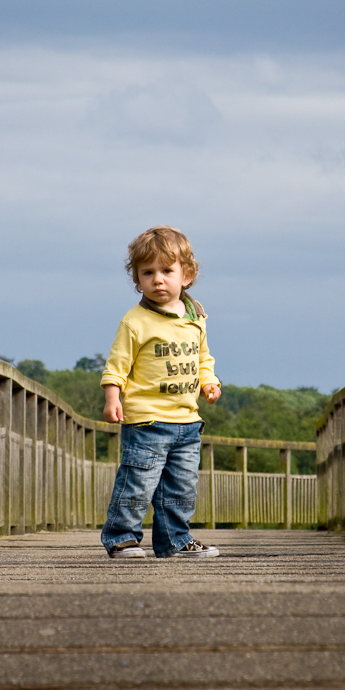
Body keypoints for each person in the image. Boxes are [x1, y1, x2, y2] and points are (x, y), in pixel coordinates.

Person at [100, 225, 222, 559]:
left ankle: (174, 541)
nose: (158, 280)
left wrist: (209, 381)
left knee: (181, 488)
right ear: (137, 279)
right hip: (146, 422)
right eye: (147, 273)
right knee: (138, 484)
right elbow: (117, 365)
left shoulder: (195, 315)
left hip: (187, 421)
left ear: (187, 275)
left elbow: (203, 356)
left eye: (167, 271)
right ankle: (122, 537)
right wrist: (113, 398)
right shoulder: (135, 321)